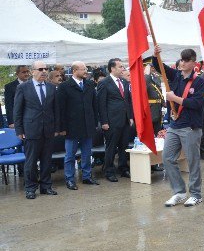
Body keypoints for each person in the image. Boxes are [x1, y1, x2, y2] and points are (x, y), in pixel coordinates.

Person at [151, 46, 204, 207]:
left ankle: (196, 194)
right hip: (174, 125)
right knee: (167, 157)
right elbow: (160, 66)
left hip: (190, 127)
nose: (182, 63)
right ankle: (179, 192)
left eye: (186, 60)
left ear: (193, 62)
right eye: (181, 59)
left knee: (192, 161)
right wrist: (155, 55)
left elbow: (196, 103)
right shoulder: (176, 75)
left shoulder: (199, 80)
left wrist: (175, 98)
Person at [13, 61, 59, 199]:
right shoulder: (23, 87)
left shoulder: (51, 87)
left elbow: (56, 109)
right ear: (33, 71)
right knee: (31, 161)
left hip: (48, 130)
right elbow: (17, 111)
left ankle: (46, 186)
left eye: (46, 69)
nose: (44, 71)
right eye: (40, 69)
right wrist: (19, 130)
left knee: (46, 160)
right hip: (31, 129)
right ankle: (31, 188)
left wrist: (56, 128)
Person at [57, 61, 99, 189]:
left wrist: (95, 122)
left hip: (87, 125)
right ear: (75, 70)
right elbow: (61, 109)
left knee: (87, 153)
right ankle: (69, 179)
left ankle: (86, 176)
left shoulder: (90, 84)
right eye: (83, 69)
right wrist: (62, 128)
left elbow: (94, 105)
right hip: (72, 127)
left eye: (86, 69)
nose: (86, 71)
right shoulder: (65, 86)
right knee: (70, 155)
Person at [97, 58, 134, 182]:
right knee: (111, 147)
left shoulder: (124, 82)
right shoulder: (104, 83)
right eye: (120, 67)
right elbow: (101, 104)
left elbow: (127, 101)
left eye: (123, 66)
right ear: (112, 68)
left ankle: (123, 168)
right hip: (112, 121)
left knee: (124, 146)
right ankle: (109, 171)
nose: (122, 68)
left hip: (124, 120)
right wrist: (104, 122)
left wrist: (130, 117)